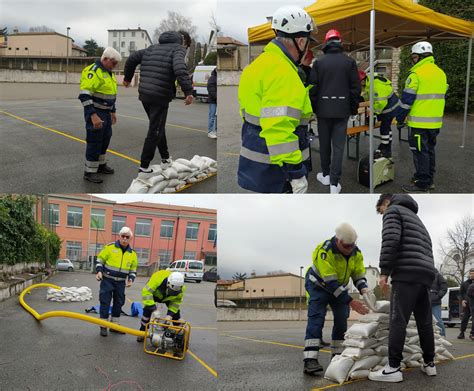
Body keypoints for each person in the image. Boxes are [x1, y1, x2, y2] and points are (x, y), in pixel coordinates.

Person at [237, 5, 315, 194]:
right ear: (301, 41)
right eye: (308, 43)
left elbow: (247, 114)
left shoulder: (257, 65)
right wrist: (296, 174)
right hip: (278, 171)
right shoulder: (284, 72)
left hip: (256, 163)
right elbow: (279, 129)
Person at [369, 194, 436, 383]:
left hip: (406, 273)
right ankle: (430, 364)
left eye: (381, 209)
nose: (382, 213)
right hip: (425, 274)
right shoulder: (417, 220)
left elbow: (391, 240)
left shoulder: (393, 211)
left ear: (385, 202)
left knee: (398, 319)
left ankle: (393, 368)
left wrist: (384, 272)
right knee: (425, 323)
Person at [123, 30, 194, 173]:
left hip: (144, 94)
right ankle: (144, 166)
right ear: (181, 42)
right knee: (155, 130)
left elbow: (131, 59)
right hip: (159, 96)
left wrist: (127, 78)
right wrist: (188, 91)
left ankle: (165, 158)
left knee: (157, 126)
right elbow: (180, 68)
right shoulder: (178, 49)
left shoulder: (151, 48)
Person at [303, 223, 369, 375]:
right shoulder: (325, 251)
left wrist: (364, 289)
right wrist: (351, 301)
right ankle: (310, 360)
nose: (350, 249)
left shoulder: (356, 253)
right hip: (319, 285)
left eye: (352, 245)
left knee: (341, 320)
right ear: (338, 241)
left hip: (338, 287)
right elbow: (330, 282)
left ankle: (337, 356)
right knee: (316, 318)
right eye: (346, 246)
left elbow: (358, 274)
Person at [308, 29, 360, 194]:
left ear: (326, 43)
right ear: (340, 42)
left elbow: (313, 89)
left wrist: (315, 109)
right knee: (338, 147)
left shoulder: (319, 63)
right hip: (342, 111)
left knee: (324, 144)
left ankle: (325, 175)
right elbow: (355, 89)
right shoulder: (349, 62)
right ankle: (334, 183)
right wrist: (353, 109)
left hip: (323, 111)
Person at [395, 41, 448, 193]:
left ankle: (422, 183)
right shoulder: (440, 73)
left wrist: (400, 119)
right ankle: (427, 178)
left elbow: (406, 102)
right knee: (429, 151)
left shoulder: (416, 74)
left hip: (419, 123)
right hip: (435, 123)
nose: (413, 60)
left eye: (413, 57)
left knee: (420, 153)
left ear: (418, 56)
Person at [78, 47, 121, 183]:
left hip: (106, 113)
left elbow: (110, 94)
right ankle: (89, 172)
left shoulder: (108, 72)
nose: (115, 67)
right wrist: (93, 115)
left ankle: (101, 166)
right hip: (95, 112)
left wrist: (113, 111)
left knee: (105, 139)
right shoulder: (93, 71)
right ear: (106, 59)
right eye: (114, 63)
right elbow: (84, 95)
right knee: (94, 141)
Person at [96, 226, 138, 337]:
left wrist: (131, 279)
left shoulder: (132, 254)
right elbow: (100, 261)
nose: (124, 239)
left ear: (130, 239)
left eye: (127, 237)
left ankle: (114, 326)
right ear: (119, 236)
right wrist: (99, 272)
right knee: (105, 302)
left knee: (119, 303)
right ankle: (103, 326)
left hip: (120, 283)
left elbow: (133, 270)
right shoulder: (109, 248)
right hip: (107, 281)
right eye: (122, 236)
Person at [136, 270, 186, 342]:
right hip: (154, 294)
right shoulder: (157, 279)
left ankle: (179, 336)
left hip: (168, 298)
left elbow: (175, 303)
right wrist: (153, 309)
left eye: (175, 292)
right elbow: (146, 293)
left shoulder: (181, 289)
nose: (173, 292)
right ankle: (142, 332)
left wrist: (169, 315)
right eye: (172, 291)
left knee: (176, 315)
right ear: (168, 284)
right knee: (147, 311)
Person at [359, 70, 400, 158]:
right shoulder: (369, 83)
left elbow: (381, 103)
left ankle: (385, 149)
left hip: (390, 108)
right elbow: (368, 96)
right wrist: (361, 99)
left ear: (362, 81)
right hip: (389, 106)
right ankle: (386, 146)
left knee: (384, 128)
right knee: (386, 128)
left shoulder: (376, 86)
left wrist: (373, 111)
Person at [457, 268, 474, 340]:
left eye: (473, 273)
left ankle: (472, 333)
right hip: (466, 304)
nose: (472, 275)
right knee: (464, 319)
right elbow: (460, 294)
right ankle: (462, 332)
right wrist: (462, 300)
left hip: (473, 304)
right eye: (471, 273)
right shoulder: (464, 284)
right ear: (469, 274)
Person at [430, 269, 447, 337]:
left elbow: (444, 288)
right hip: (424, 303)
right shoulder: (423, 274)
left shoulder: (438, 276)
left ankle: (442, 335)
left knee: (438, 320)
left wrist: (438, 296)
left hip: (435, 303)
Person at [207, 68, 217, 139]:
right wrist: (217, 97)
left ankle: (216, 131)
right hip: (213, 100)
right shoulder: (212, 78)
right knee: (212, 116)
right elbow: (211, 89)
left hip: (217, 100)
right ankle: (210, 132)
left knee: (217, 117)